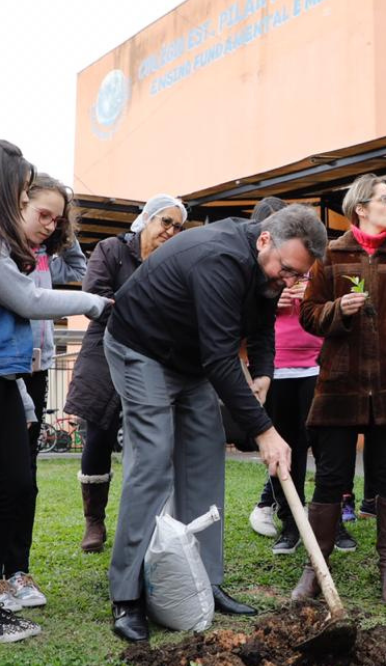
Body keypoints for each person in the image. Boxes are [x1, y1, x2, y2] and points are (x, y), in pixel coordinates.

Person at [106, 205, 323, 642]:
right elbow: (220, 359)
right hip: (141, 348)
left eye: (299, 276)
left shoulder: (266, 267)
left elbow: (261, 324)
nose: (289, 281)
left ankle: (204, 579)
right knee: (153, 461)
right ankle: (126, 594)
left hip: (189, 360)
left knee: (206, 457)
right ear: (265, 240)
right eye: (287, 270)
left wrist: (264, 372)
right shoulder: (219, 258)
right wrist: (264, 430)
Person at [0, 140, 106, 643]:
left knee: (12, 488)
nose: (23, 197)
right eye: (20, 185)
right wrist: (96, 303)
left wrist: (27, 398)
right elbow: (24, 299)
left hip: (6, 381)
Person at [299, 174, 386, 603]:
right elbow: (308, 314)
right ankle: (315, 569)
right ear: (361, 207)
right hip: (341, 379)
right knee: (330, 477)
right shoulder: (331, 253)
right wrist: (337, 309)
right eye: (385, 200)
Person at [65, 194, 186, 554]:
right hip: (105, 353)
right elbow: (96, 298)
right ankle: (94, 520)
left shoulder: (174, 260)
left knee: (148, 440)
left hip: (154, 358)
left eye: (178, 226)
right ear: (145, 219)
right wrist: (149, 311)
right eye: (165, 221)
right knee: (99, 436)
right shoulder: (111, 249)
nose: (171, 230)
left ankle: (147, 521)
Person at [244, 197, 358, 555]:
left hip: (317, 365)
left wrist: (311, 297)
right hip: (277, 369)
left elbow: (339, 306)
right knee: (285, 450)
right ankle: (291, 525)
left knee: (329, 451)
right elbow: (242, 324)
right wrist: (270, 304)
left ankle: (332, 521)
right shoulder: (260, 266)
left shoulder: (316, 261)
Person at [2, 172, 88, 610]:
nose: (50, 225)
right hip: (1, 370)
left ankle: (17, 570)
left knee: (26, 480)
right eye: (43, 214)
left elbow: (79, 270)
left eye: (58, 219)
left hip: (36, 369)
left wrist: (62, 232)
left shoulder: (44, 255)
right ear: (18, 204)